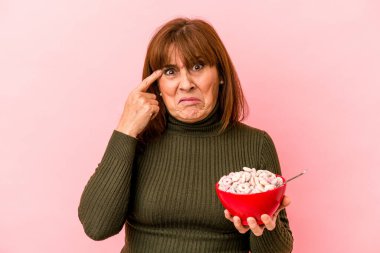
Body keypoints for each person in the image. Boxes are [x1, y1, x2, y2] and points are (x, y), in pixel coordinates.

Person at [78, 17, 293, 253]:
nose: (185, 84)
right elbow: (97, 227)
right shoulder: (137, 141)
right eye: (170, 71)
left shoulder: (255, 145)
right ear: (156, 84)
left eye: (197, 67)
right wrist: (125, 128)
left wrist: (265, 225)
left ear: (221, 74)